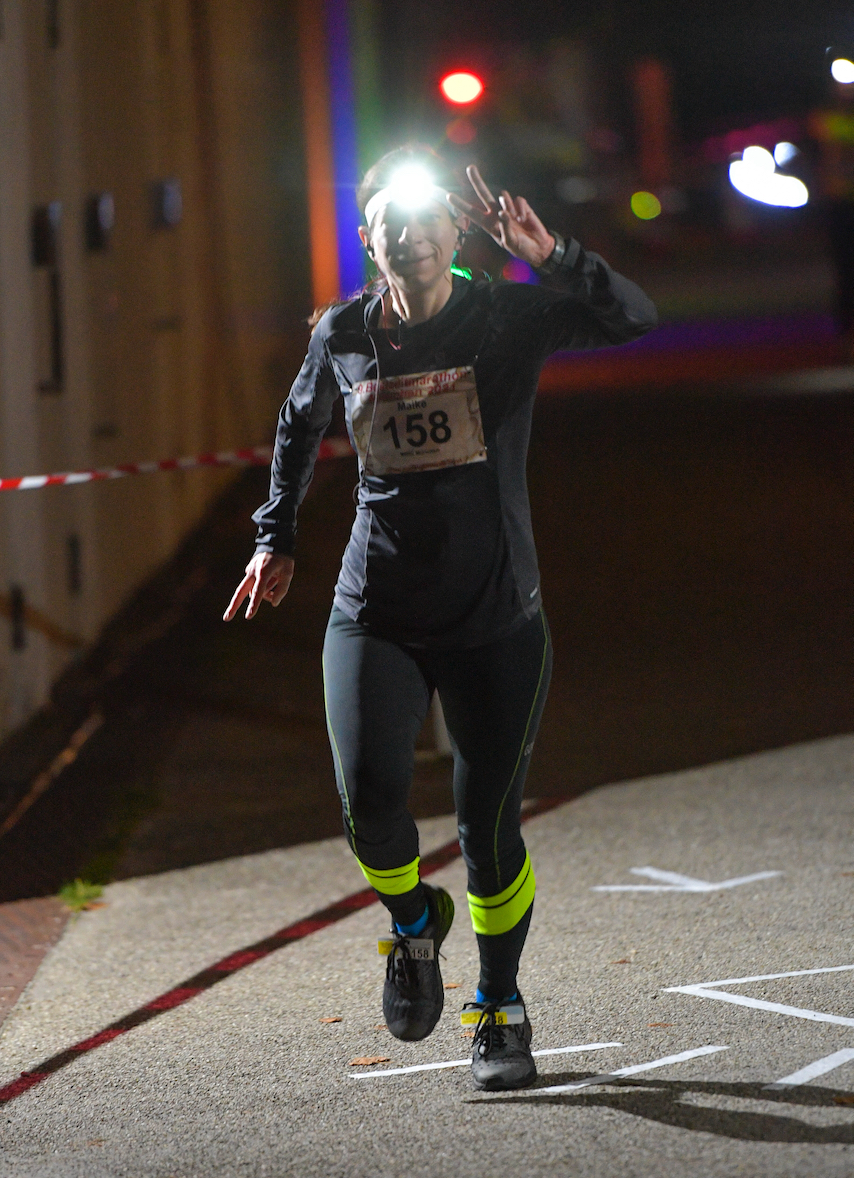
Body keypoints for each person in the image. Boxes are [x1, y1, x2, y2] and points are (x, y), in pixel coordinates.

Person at [224, 146, 658, 1091]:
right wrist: (276, 537)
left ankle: (499, 1006)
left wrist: (555, 258)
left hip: (496, 614)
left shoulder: (505, 316)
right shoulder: (342, 333)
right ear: (368, 237)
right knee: (371, 807)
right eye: (391, 220)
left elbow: (632, 318)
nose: (411, 235)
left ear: (457, 232)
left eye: (429, 220)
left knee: (488, 828)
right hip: (374, 608)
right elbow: (299, 426)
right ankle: (416, 922)